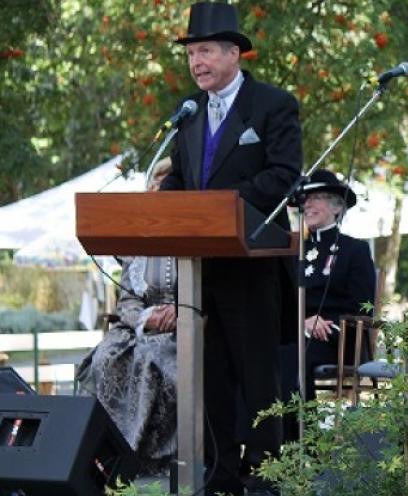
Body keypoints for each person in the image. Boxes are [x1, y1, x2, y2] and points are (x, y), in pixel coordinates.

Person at [159, 2, 301, 494]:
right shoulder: (188, 115)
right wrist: (162, 206)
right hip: (201, 271)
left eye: (204, 52)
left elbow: (283, 176)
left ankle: (266, 476)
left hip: (252, 265)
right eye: (191, 54)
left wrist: (220, 207)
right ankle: (221, 476)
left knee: (259, 380)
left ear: (233, 53)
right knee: (210, 379)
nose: (196, 63)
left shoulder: (272, 105)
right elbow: (179, 178)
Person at [76, 159, 177, 474]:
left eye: (166, 184)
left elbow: (208, 289)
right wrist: (143, 318)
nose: (159, 190)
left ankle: (145, 457)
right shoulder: (139, 241)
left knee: (151, 360)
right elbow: (129, 296)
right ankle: (107, 453)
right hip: (141, 325)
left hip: (183, 326)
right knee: (106, 357)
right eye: (155, 184)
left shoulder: (197, 231)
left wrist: (180, 310)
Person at [280, 169, 376, 413]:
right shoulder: (291, 251)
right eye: (305, 198)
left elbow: (362, 306)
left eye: (317, 197)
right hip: (296, 331)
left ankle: (304, 442)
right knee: (263, 352)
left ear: (337, 207)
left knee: (293, 357)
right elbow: (281, 302)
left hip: (336, 338)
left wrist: (325, 325)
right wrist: (302, 322)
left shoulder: (354, 250)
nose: (308, 204)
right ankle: (265, 440)